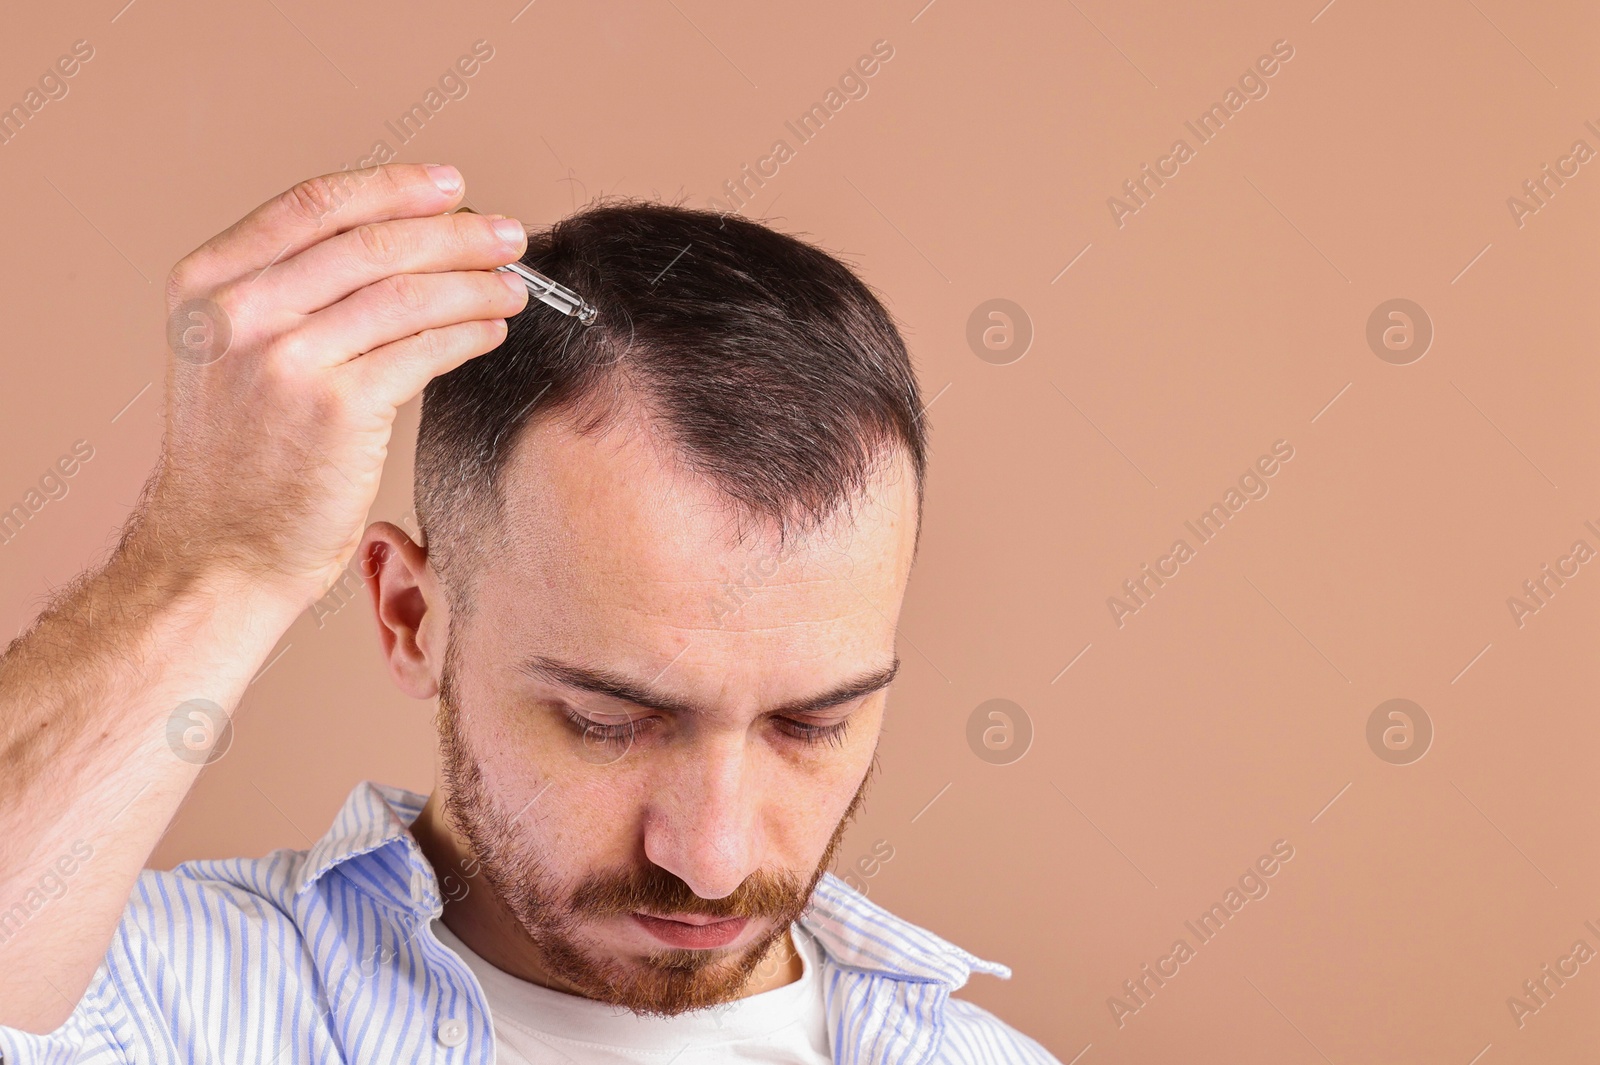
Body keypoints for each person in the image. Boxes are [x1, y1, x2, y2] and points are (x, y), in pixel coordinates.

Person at [0, 163, 1061, 1063]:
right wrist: (213, 563)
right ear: (412, 616)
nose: (713, 859)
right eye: (609, 721)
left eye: (811, 725)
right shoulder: (149, 996)